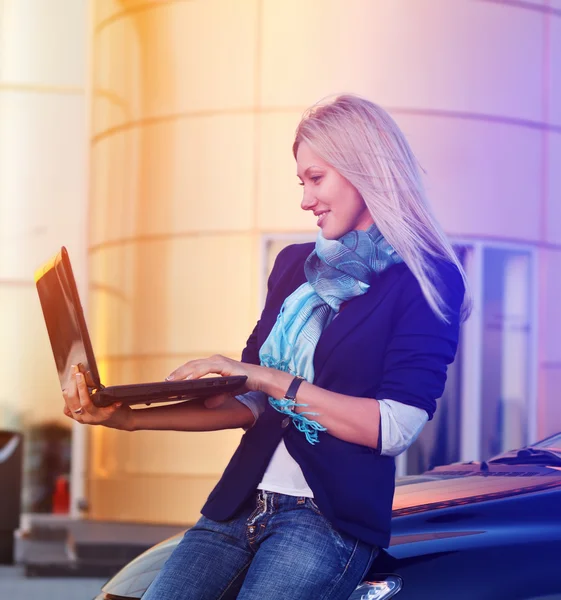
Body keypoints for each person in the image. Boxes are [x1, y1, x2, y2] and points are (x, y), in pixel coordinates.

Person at [63, 94, 470, 599]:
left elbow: (394, 426)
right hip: (238, 506)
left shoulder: (427, 278)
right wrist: (125, 416)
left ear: (364, 169)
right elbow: (250, 405)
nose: (305, 199)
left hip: (325, 521)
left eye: (316, 178)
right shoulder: (293, 266)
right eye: (302, 182)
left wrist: (265, 377)